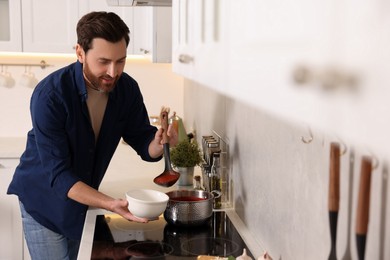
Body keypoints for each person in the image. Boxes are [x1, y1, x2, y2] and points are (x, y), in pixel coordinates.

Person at [7, 11, 177, 260]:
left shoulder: (126, 89)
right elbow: (60, 176)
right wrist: (109, 204)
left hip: (82, 200)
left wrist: (159, 143)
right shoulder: (51, 96)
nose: (113, 71)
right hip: (43, 202)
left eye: (120, 61)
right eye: (103, 61)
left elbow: (143, 140)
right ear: (79, 52)